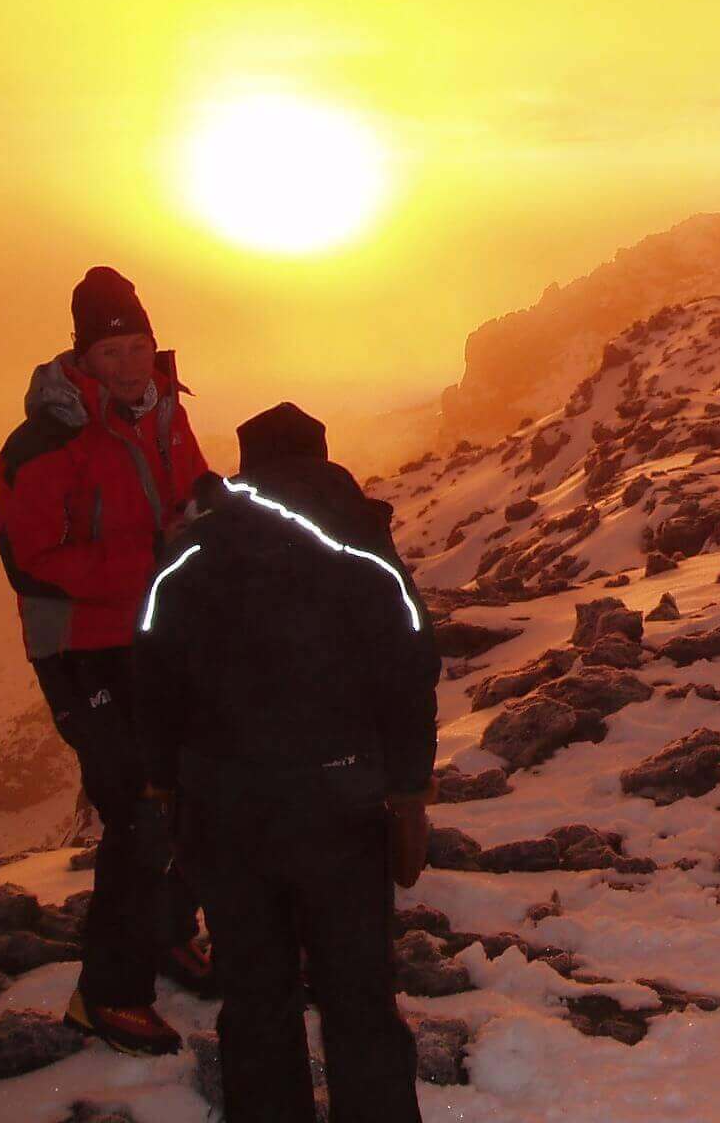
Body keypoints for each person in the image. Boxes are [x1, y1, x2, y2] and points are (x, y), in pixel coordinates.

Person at [136, 403, 440, 1123]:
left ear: (246, 471)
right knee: (358, 991)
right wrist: (406, 793)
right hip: (341, 801)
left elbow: (153, 680)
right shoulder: (365, 552)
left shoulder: (188, 558)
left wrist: (164, 789)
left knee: (255, 993)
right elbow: (410, 674)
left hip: (224, 807)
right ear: (324, 461)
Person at [0, 266, 216, 1055]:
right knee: (137, 810)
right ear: (83, 357)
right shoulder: (45, 440)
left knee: (189, 783)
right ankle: (109, 996)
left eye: (138, 346)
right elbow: (31, 557)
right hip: (81, 649)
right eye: (112, 350)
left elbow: (186, 492)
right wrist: (153, 557)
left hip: (154, 632)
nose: (128, 364)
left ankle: (165, 932)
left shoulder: (163, 412)